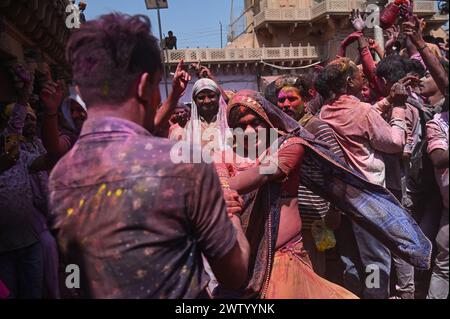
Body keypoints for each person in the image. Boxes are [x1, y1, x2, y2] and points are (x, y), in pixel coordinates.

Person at [48, 13, 250, 299]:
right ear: (144, 86)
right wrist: (232, 215)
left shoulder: (62, 174)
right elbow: (233, 273)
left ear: (81, 89)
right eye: (157, 86)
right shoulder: (184, 162)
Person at [317, 57, 409, 299]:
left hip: (342, 200)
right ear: (349, 82)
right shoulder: (362, 111)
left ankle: (355, 294)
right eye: (359, 75)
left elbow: (359, 122)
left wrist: (386, 101)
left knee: (351, 260)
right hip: (368, 199)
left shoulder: (324, 111)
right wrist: (398, 107)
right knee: (375, 262)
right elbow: (395, 143)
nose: (364, 77)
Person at [0, 65, 44, 299]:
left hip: (29, 239)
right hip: (3, 249)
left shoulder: (10, 143)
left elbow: (16, 120)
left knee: (33, 292)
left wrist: (27, 89)